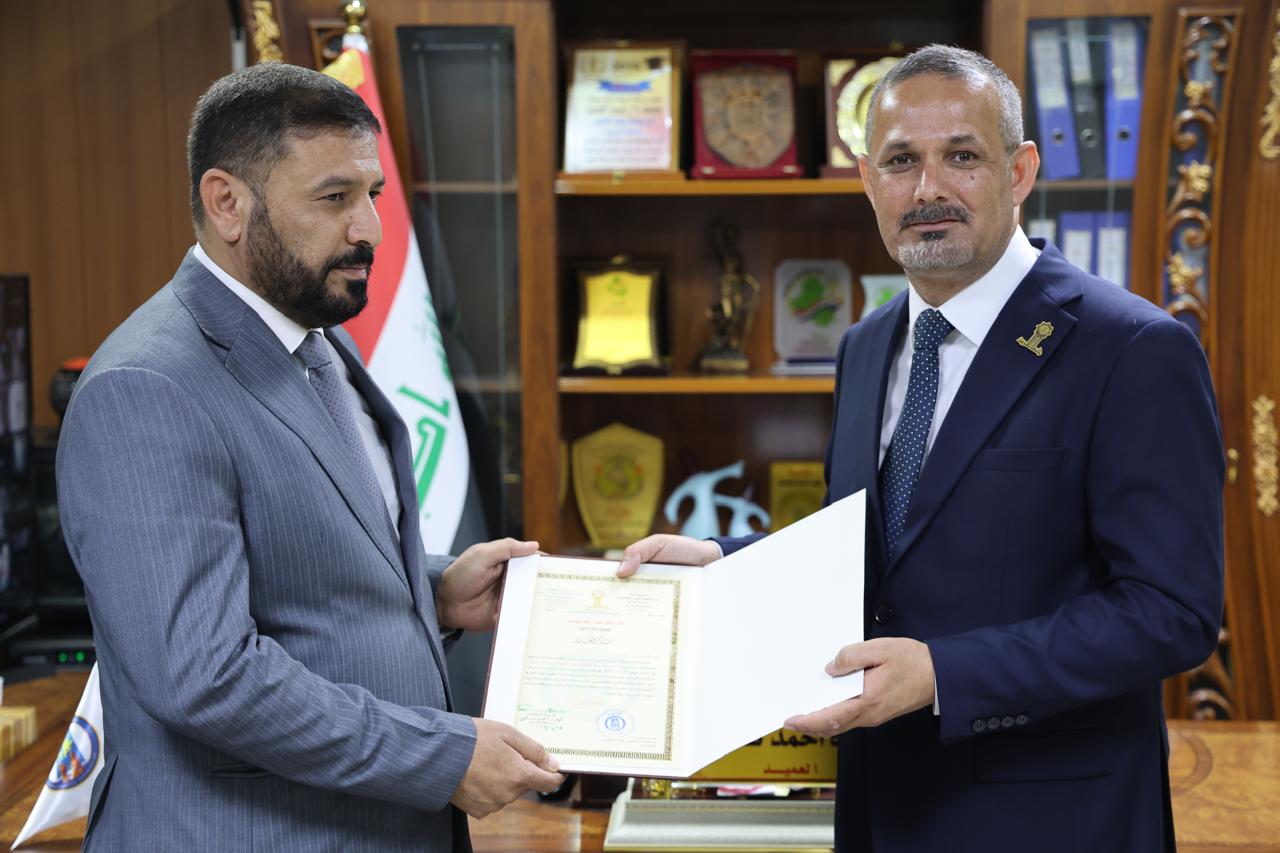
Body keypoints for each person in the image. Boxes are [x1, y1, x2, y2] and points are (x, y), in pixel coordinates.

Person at [620, 45, 1223, 852]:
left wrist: (942, 674)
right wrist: (725, 562)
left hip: (1052, 823)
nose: (929, 188)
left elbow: (1171, 611)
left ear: (1020, 171)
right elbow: (876, 551)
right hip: (880, 810)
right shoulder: (866, 345)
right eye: (902, 161)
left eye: (962, 157)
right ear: (869, 181)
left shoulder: (1133, 348)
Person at [56, 62, 562, 851]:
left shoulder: (315, 334)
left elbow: (296, 568)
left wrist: (433, 590)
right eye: (334, 198)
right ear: (227, 202)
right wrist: (438, 755)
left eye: (373, 194)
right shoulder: (145, 387)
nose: (371, 230)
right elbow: (206, 675)